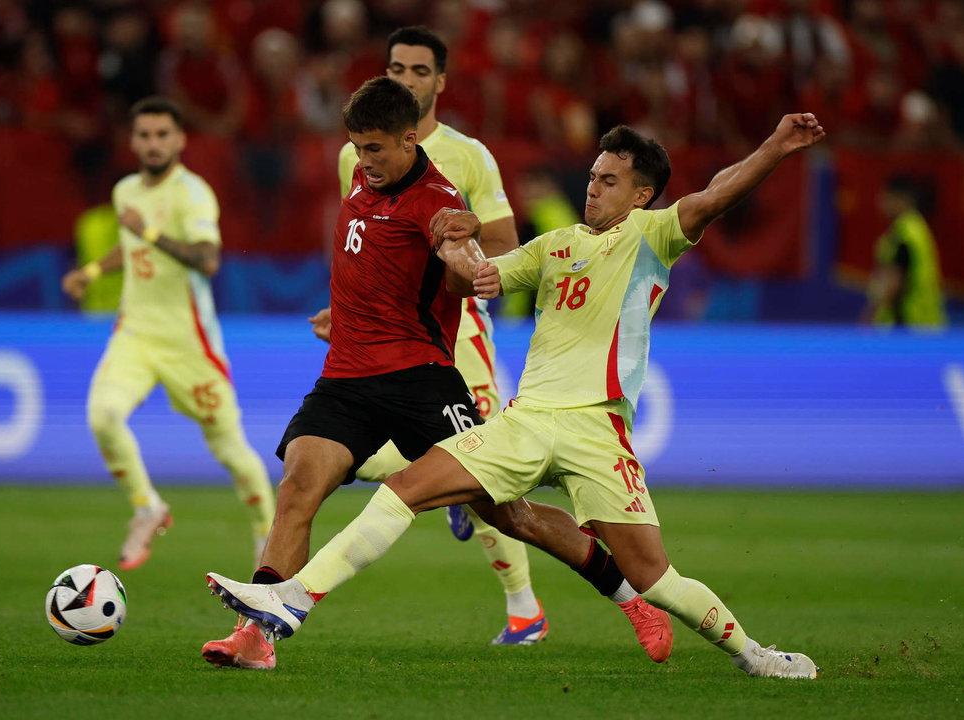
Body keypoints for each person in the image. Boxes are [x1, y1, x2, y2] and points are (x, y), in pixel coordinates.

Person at [206, 113, 828, 679]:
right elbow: (479, 278)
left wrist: (774, 144)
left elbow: (716, 193)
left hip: (597, 429)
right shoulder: (554, 246)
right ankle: (290, 600)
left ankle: (755, 655)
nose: (593, 188)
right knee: (405, 490)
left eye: (609, 181)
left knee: (655, 577)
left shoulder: (653, 236)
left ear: (641, 195)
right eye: (592, 176)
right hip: (525, 422)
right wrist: (462, 238)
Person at [201, 76, 668, 671]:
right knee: (296, 489)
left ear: (409, 138)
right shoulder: (362, 173)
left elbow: (458, 270)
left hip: (420, 381)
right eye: (357, 147)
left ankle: (631, 598)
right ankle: (253, 638)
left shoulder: (438, 203)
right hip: (344, 377)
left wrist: (465, 251)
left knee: (510, 514)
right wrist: (345, 312)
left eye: (375, 148)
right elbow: (371, 260)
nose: (363, 161)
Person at [317, 26, 667, 650]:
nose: (406, 79)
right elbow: (364, 243)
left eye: (419, 71)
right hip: (383, 345)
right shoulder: (357, 153)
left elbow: (504, 250)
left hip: (456, 342)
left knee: (498, 500)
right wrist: (348, 308)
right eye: (396, 67)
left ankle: (525, 607)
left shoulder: (469, 156)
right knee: (353, 466)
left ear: (441, 82)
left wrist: (454, 248)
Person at [61, 96, 275, 572]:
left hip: (188, 343)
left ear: (179, 140)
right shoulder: (125, 192)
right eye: (144, 135)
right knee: (103, 415)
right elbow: (130, 241)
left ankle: (267, 532)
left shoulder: (193, 194)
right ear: (133, 141)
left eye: (162, 135)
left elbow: (208, 259)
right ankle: (147, 506)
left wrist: (153, 234)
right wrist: (93, 270)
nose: (153, 144)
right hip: (135, 332)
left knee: (232, 452)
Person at [862, 174, 947, 328]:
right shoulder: (917, 228)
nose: (881, 202)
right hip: (924, 324)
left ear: (901, 199)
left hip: (909, 325)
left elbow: (894, 281)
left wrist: (869, 316)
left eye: (886, 197)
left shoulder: (906, 232)